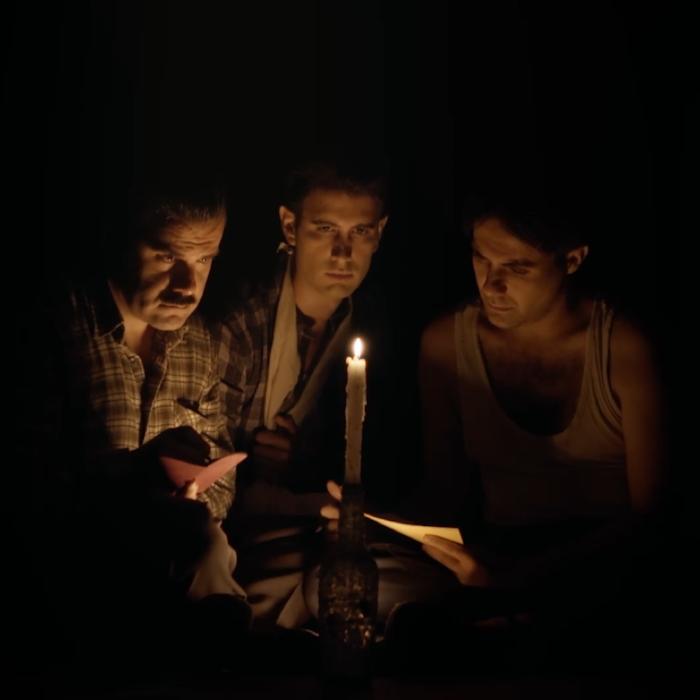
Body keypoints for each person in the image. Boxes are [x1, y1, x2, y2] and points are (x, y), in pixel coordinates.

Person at [406, 194, 670, 671]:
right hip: (498, 553)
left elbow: (655, 517)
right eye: (481, 260)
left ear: (572, 260)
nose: (492, 284)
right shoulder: (446, 343)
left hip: (610, 564)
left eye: (518, 267)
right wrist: (371, 518)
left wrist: (524, 576)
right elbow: (443, 492)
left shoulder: (623, 348)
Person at [23, 173, 250, 670]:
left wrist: (193, 492)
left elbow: (222, 489)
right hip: (74, 584)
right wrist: (134, 489)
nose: (187, 286)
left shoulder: (202, 345)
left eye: (204, 260)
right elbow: (35, 489)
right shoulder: (60, 326)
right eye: (167, 258)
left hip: (174, 576)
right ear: (120, 240)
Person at [216, 155, 396, 630]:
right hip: (239, 536)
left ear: (380, 232)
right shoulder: (243, 319)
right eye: (324, 229)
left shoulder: (369, 322)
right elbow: (211, 475)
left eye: (360, 232)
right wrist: (257, 470)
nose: (342, 253)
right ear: (290, 226)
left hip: (312, 530)